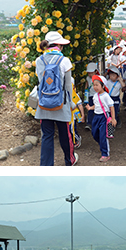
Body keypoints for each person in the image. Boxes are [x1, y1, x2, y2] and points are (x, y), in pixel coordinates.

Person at [34, 30, 77, 167]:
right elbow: (68, 86)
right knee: (65, 134)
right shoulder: (65, 60)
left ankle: (46, 166)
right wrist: (71, 103)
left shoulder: (39, 61)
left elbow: (41, 82)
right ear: (59, 45)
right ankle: (69, 161)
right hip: (61, 104)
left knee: (46, 136)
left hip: (44, 104)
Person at [90, 72, 116, 161]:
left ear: (103, 85)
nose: (95, 87)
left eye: (97, 85)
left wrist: (113, 118)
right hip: (96, 117)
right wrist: (90, 108)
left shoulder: (105, 96)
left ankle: (105, 154)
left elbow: (111, 106)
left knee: (102, 135)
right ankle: (103, 144)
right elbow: (96, 105)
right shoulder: (95, 96)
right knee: (94, 133)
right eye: (94, 85)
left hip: (103, 117)